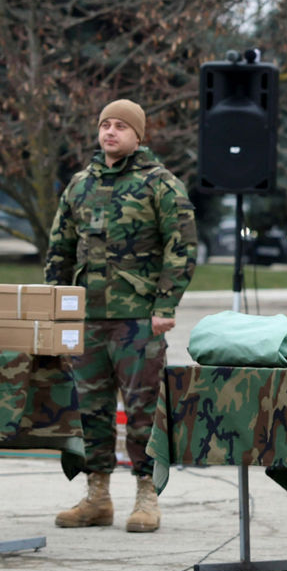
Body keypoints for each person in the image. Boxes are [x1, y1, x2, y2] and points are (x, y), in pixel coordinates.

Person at [45, 99, 197, 533]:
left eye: (120, 127)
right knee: (89, 410)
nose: (110, 132)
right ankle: (97, 496)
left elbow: (181, 248)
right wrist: (55, 307)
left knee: (143, 409)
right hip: (87, 319)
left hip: (138, 320)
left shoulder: (159, 184)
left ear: (137, 135)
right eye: (105, 124)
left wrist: (165, 307)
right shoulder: (79, 185)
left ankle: (146, 494)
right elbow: (59, 248)